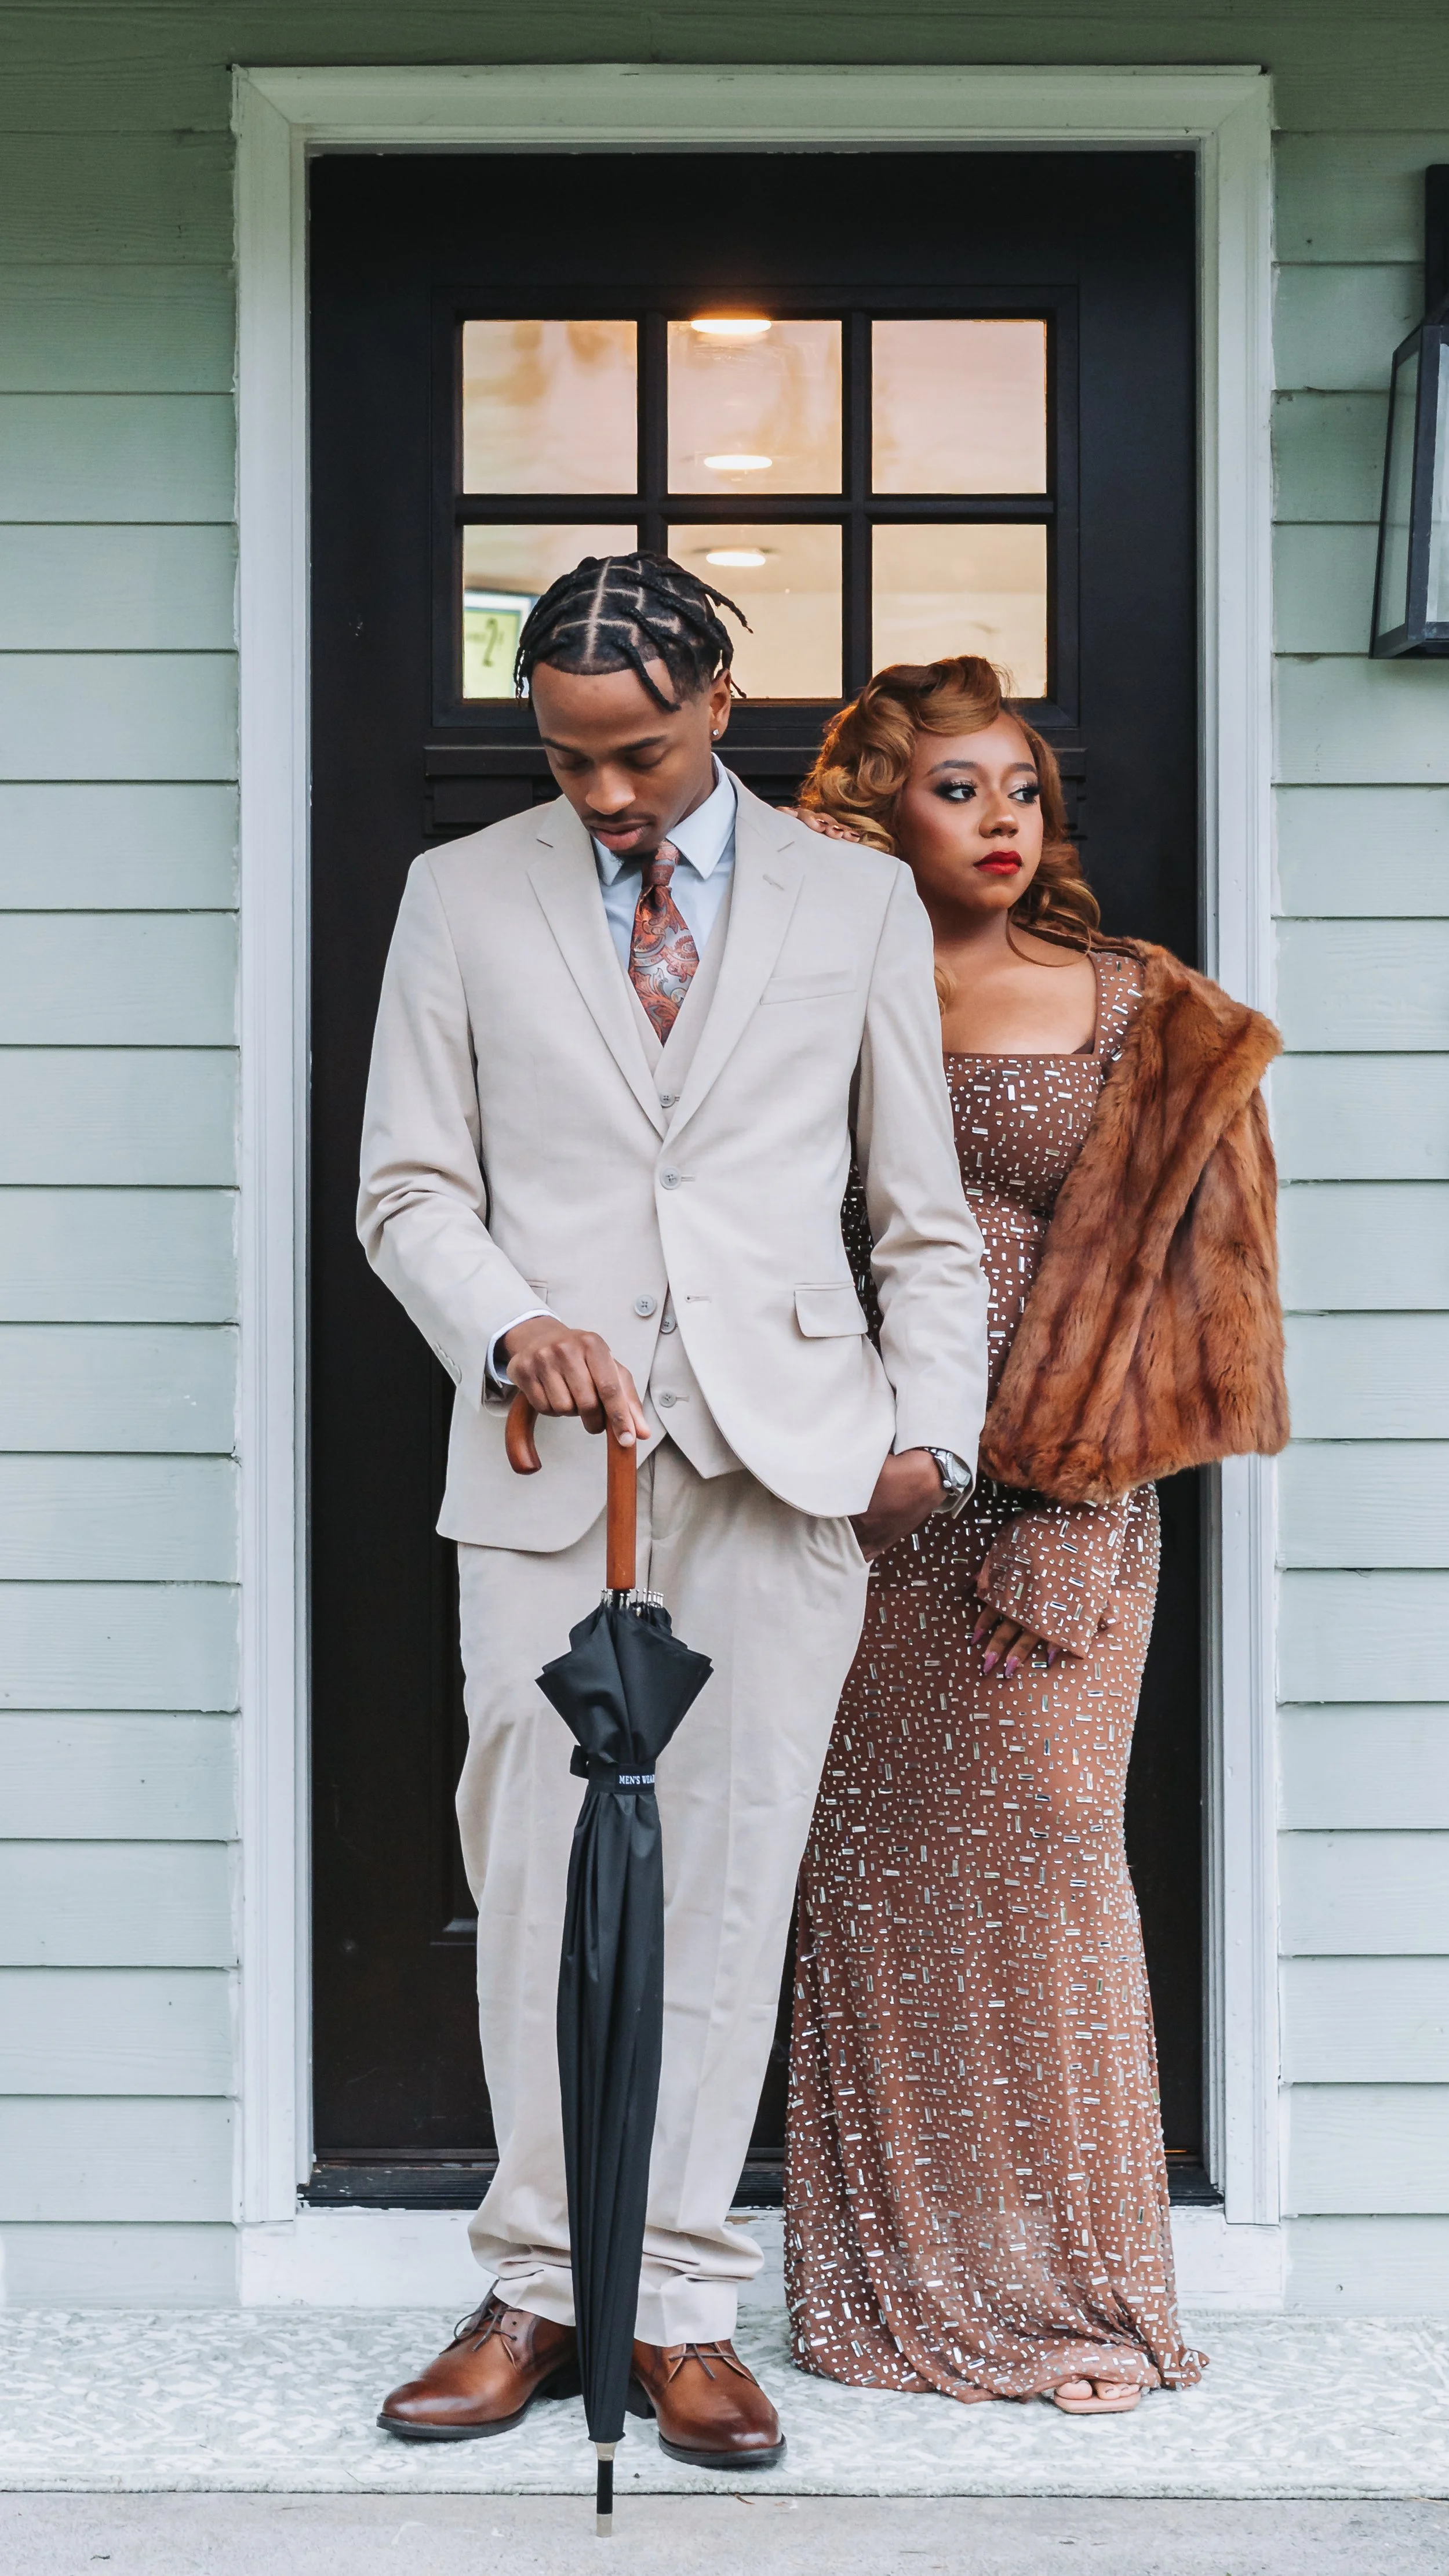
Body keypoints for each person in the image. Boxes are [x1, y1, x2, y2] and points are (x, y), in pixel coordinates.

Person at [356, 558, 989, 2464]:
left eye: (633, 754)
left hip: (788, 1458)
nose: (605, 797)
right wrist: (513, 1327)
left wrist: (929, 1444)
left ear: (718, 700)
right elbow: (405, 1191)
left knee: (726, 1883)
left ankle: (686, 2303)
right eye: (565, 761)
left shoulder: (856, 897)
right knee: (540, 1875)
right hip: (553, 1476)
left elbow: (922, 1216)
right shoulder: (458, 895)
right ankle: (545, 2285)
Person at [785, 656, 1287, 2413]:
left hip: (1068, 1505)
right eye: (955, 790)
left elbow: (1208, 1308)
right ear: (873, 808)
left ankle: (1076, 2295)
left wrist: (1070, 1518)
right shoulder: (813, 989)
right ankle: (894, 2289)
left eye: (1019, 789)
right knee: (870, 1882)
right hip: (854, 1508)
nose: (1001, 821)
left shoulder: (1148, 1010)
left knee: (1055, 1853)